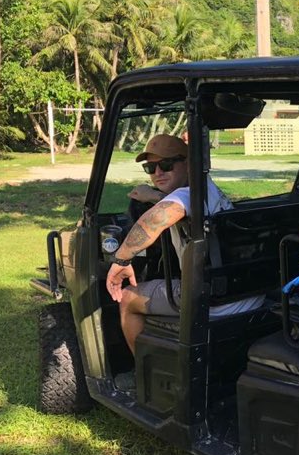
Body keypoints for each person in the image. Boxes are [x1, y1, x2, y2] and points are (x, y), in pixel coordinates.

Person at [106, 134, 262, 355]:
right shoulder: (206, 189)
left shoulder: (189, 195)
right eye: (150, 168)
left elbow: (158, 217)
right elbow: (177, 203)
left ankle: (142, 380)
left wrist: (121, 259)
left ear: (189, 164)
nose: (158, 173)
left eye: (167, 164)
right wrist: (153, 195)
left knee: (128, 298)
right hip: (246, 292)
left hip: (212, 300)